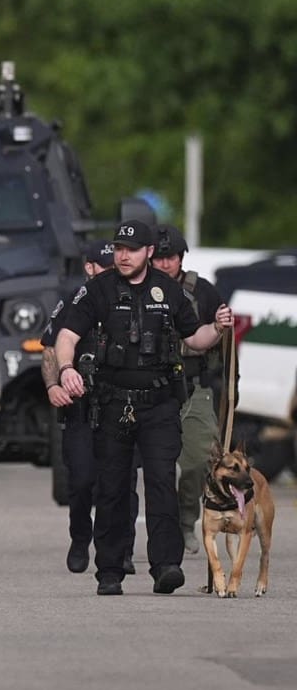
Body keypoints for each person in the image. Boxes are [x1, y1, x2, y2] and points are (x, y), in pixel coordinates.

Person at [54, 220, 233, 596]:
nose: (122, 255)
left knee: (161, 483)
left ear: (149, 252)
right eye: (118, 248)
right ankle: (110, 570)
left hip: (160, 404)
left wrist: (217, 328)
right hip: (112, 401)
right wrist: (67, 369)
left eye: (131, 249)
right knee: (113, 488)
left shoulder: (169, 291)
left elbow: (195, 338)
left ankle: (166, 565)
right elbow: (66, 336)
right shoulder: (97, 290)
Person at [41, 240, 138, 574]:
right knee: (82, 480)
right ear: (90, 268)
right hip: (81, 404)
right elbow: (51, 348)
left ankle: (122, 549)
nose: (114, 273)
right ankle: (80, 538)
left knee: (123, 481)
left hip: (122, 403)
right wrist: (53, 385)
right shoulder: (74, 302)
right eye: (106, 267)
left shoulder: (131, 299)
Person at [152, 224, 225, 554]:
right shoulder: (138, 289)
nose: (165, 264)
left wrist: (227, 393)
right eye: (160, 257)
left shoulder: (203, 292)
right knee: (158, 466)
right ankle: (162, 531)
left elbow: (222, 344)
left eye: (171, 257)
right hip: (153, 387)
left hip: (195, 387)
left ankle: (186, 522)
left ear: (181, 258)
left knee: (197, 461)